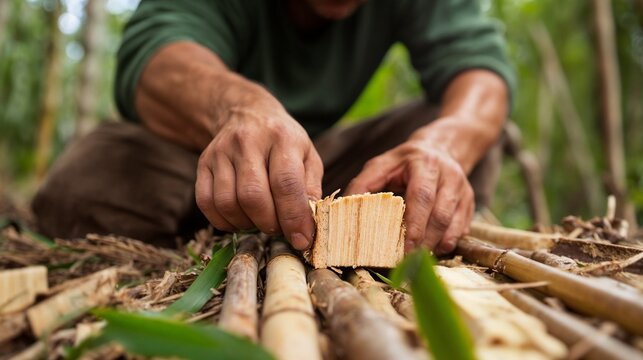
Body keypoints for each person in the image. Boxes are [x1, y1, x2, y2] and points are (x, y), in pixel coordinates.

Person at [33, 0, 515, 254]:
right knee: (87, 184)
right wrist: (240, 109)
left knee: (460, 140)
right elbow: (158, 54)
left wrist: (441, 145)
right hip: (189, 150)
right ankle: (204, 232)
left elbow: (480, 70)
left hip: (324, 171)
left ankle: (355, 239)